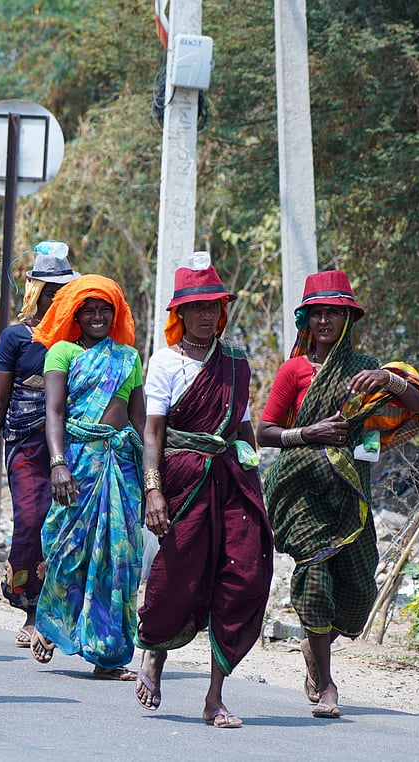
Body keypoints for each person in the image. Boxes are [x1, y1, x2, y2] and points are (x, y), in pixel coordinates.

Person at [258, 269, 419, 719]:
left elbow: (417, 407)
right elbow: (265, 431)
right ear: (306, 321)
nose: (325, 321)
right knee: (315, 578)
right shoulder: (294, 369)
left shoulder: (366, 370)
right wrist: (308, 432)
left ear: (348, 318)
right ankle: (328, 683)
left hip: (350, 492)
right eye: (317, 314)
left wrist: (387, 380)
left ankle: (316, 650)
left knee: (355, 597)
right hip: (302, 490)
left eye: (334, 313)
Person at [135, 265, 274, 728]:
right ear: (180, 312)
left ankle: (215, 696)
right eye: (194, 307)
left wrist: (255, 475)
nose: (203, 314)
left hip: (232, 478)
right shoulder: (164, 362)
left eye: (211, 306)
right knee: (177, 579)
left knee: (244, 578)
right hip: (183, 479)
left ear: (221, 312)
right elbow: (153, 432)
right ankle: (154, 653)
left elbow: (244, 423)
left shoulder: (235, 362)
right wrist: (153, 492)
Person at [29, 274, 145, 680]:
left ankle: (107, 655)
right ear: (75, 315)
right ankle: (53, 624)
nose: (97, 315)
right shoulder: (61, 352)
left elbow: (140, 421)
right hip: (78, 462)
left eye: (104, 308)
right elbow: (55, 412)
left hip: (121, 465)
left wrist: (152, 481)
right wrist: (58, 462)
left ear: (116, 313)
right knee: (68, 551)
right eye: (88, 309)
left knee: (120, 558)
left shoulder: (128, 358)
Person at [0, 241, 79, 648]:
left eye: (63, 289)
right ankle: (31, 608)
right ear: (34, 289)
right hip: (23, 440)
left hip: (69, 441)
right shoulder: (16, 337)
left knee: (65, 525)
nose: (57, 297)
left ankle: (60, 612)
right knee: (32, 520)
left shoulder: (79, 335)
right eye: (50, 289)